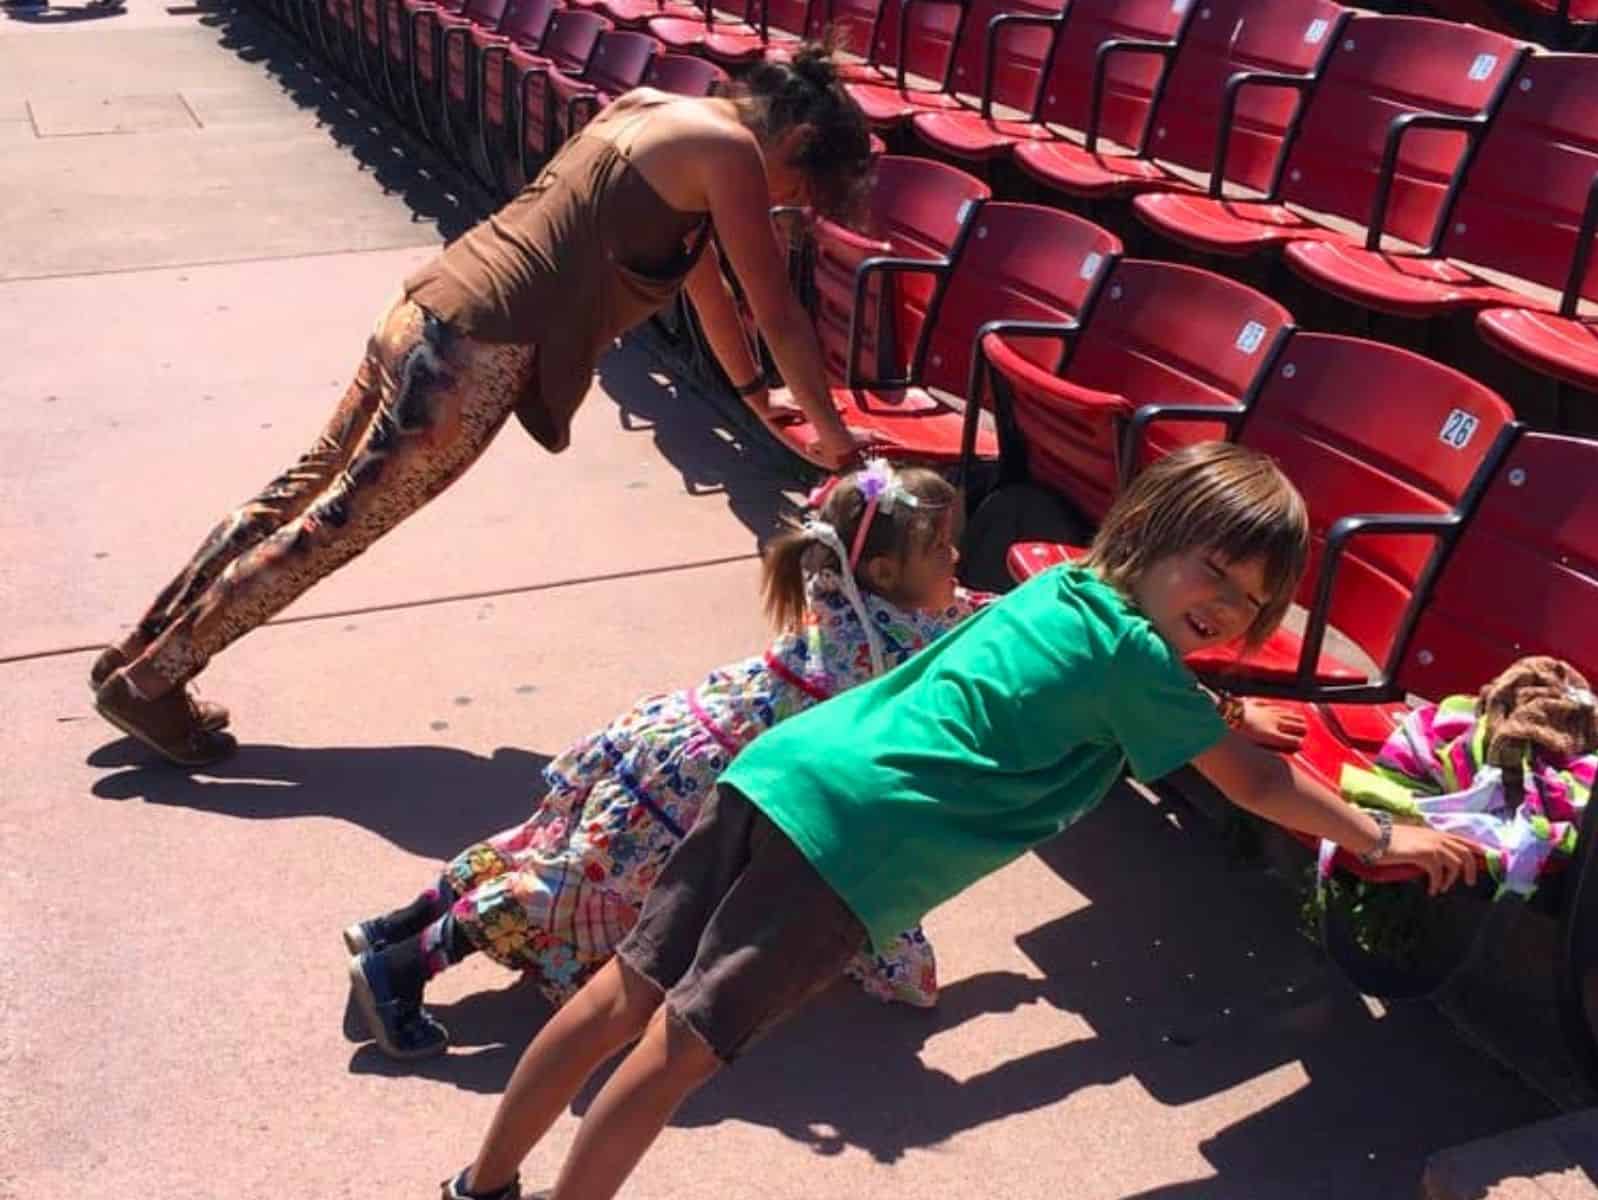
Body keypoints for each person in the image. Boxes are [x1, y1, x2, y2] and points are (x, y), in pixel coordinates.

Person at [436, 442, 1484, 1200]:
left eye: (1253, 599)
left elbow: (1112, 688)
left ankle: (481, 1186)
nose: (1229, 604)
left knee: (629, 992)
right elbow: (1255, 786)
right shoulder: (1139, 664)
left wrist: (1212, 710)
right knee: (677, 1048)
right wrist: (1382, 838)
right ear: (1155, 538)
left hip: (778, 773)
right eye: (1212, 569)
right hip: (846, 848)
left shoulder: (1063, 592)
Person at [89, 46, 874, 767]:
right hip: (477, 353)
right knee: (333, 527)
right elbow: (778, 312)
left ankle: (140, 649)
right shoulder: (734, 155)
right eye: (803, 192)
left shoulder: (650, 106)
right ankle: (153, 683)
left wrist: (754, 398)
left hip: (429, 306)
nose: (790, 208)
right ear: (797, 140)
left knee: (299, 493)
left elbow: (708, 292)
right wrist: (839, 446)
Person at [343, 461, 978, 1058]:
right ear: (889, 574)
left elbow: (957, 617)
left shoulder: (849, 596)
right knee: (569, 892)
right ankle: (397, 970)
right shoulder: (885, 649)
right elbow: (957, 648)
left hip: (674, 736)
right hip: (692, 783)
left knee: (548, 846)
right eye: (940, 549)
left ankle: (395, 925)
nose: (955, 558)